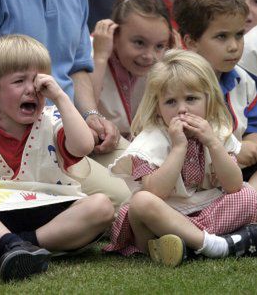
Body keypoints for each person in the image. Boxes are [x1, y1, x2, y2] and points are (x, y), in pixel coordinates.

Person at [0, 0, 131, 210]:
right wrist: (42, 130)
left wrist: (89, 115)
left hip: (64, 129)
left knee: (150, 179)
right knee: (126, 198)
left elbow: (77, 68)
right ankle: (24, 241)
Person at [0, 34, 114, 281]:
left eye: (39, 82)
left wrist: (61, 97)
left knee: (102, 206)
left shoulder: (53, 121)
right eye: (19, 81)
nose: (31, 89)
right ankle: (8, 242)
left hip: (50, 208)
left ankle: (12, 247)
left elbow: (84, 146)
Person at [104, 49, 257, 267]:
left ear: (209, 100)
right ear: (157, 107)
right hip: (164, 216)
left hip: (207, 209)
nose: (182, 109)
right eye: (171, 102)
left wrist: (213, 143)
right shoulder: (149, 141)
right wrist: (178, 148)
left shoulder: (217, 131)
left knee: (248, 194)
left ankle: (187, 247)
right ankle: (214, 245)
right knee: (141, 202)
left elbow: (232, 185)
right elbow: (155, 192)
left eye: (191, 99)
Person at [174, 0, 257, 188]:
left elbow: (253, 125)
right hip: (195, 180)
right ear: (191, 41)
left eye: (239, 35)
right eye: (222, 36)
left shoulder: (243, 79)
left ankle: (249, 207)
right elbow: (185, 137)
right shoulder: (177, 84)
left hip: (236, 170)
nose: (234, 46)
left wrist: (252, 145)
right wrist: (236, 149)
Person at [90, 0, 173, 166]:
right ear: (115, 34)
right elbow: (84, 105)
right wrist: (100, 58)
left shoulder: (163, 62)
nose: (149, 56)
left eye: (159, 46)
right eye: (139, 43)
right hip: (97, 152)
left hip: (143, 151)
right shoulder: (93, 50)